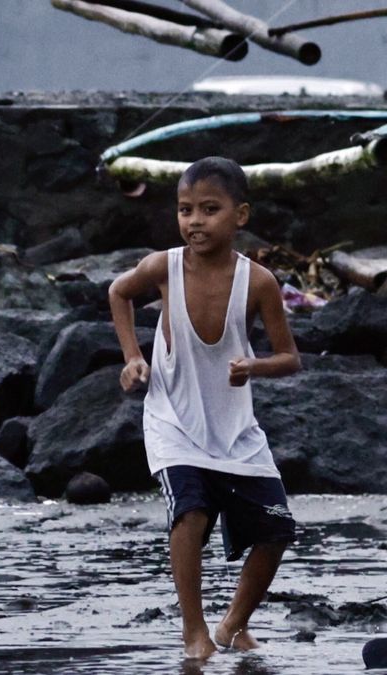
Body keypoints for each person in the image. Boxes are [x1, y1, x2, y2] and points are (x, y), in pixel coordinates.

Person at [108, 156, 302, 660]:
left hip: (236, 427)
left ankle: (233, 624)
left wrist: (254, 367)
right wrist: (133, 357)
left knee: (276, 528)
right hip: (172, 420)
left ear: (240, 215)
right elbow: (118, 291)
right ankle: (193, 630)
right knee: (190, 514)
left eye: (209, 209)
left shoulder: (258, 282)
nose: (194, 221)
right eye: (185, 210)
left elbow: (290, 359)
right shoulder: (164, 266)